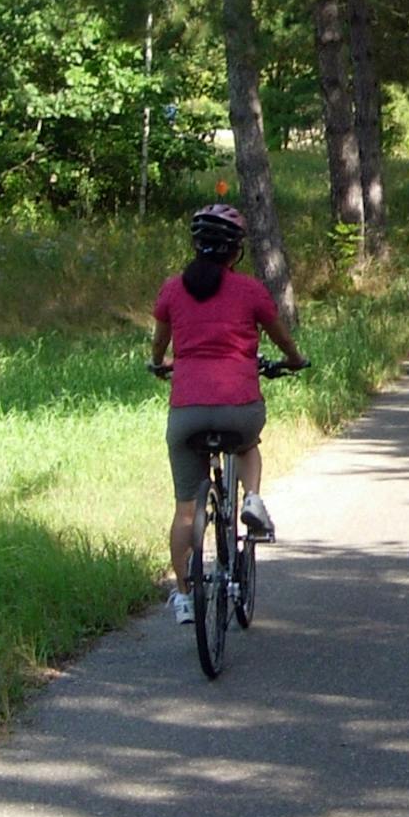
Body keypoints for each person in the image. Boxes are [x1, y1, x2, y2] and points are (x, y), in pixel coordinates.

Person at [150, 203, 308, 626]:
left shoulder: (171, 289)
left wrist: (159, 363)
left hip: (187, 412)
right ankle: (252, 500)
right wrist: (294, 359)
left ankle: (185, 597)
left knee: (186, 508)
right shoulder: (250, 291)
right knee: (247, 444)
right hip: (238, 406)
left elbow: (159, 346)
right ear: (235, 251)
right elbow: (282, 338)